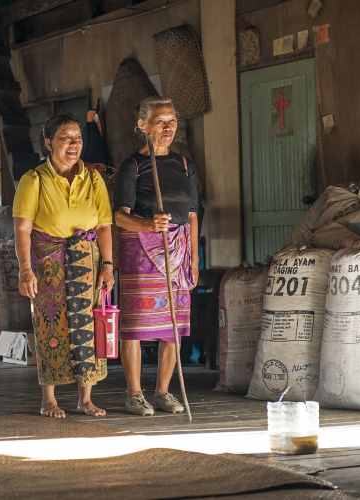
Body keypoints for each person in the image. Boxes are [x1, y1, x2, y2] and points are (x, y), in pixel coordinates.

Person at [13, 114, 115, 419]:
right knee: (51, 325)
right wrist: (24, 269)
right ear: (48, 142)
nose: (74, 145)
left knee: (88, 325)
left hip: (87, 259)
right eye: (65, 138)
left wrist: (108, 265)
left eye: (78, 138)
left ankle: (86, 398)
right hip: (48, 262)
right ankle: (49, 399)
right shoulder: (34, 180)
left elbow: (106, 226)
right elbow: (22, 229)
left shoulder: (94, 178)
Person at [113, 97, 199, 416]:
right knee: (136, 325)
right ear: (142, 125)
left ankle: (163, 391)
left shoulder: (185, 165)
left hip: (178, 250)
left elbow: (191, 215)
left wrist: (193, 261)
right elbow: (119, 217)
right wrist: (148, 223)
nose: (168, 127)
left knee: (172, 327)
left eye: (172, 120)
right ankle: (134, 393)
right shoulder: (132, 166)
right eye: (160, 121)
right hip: (141, 251)